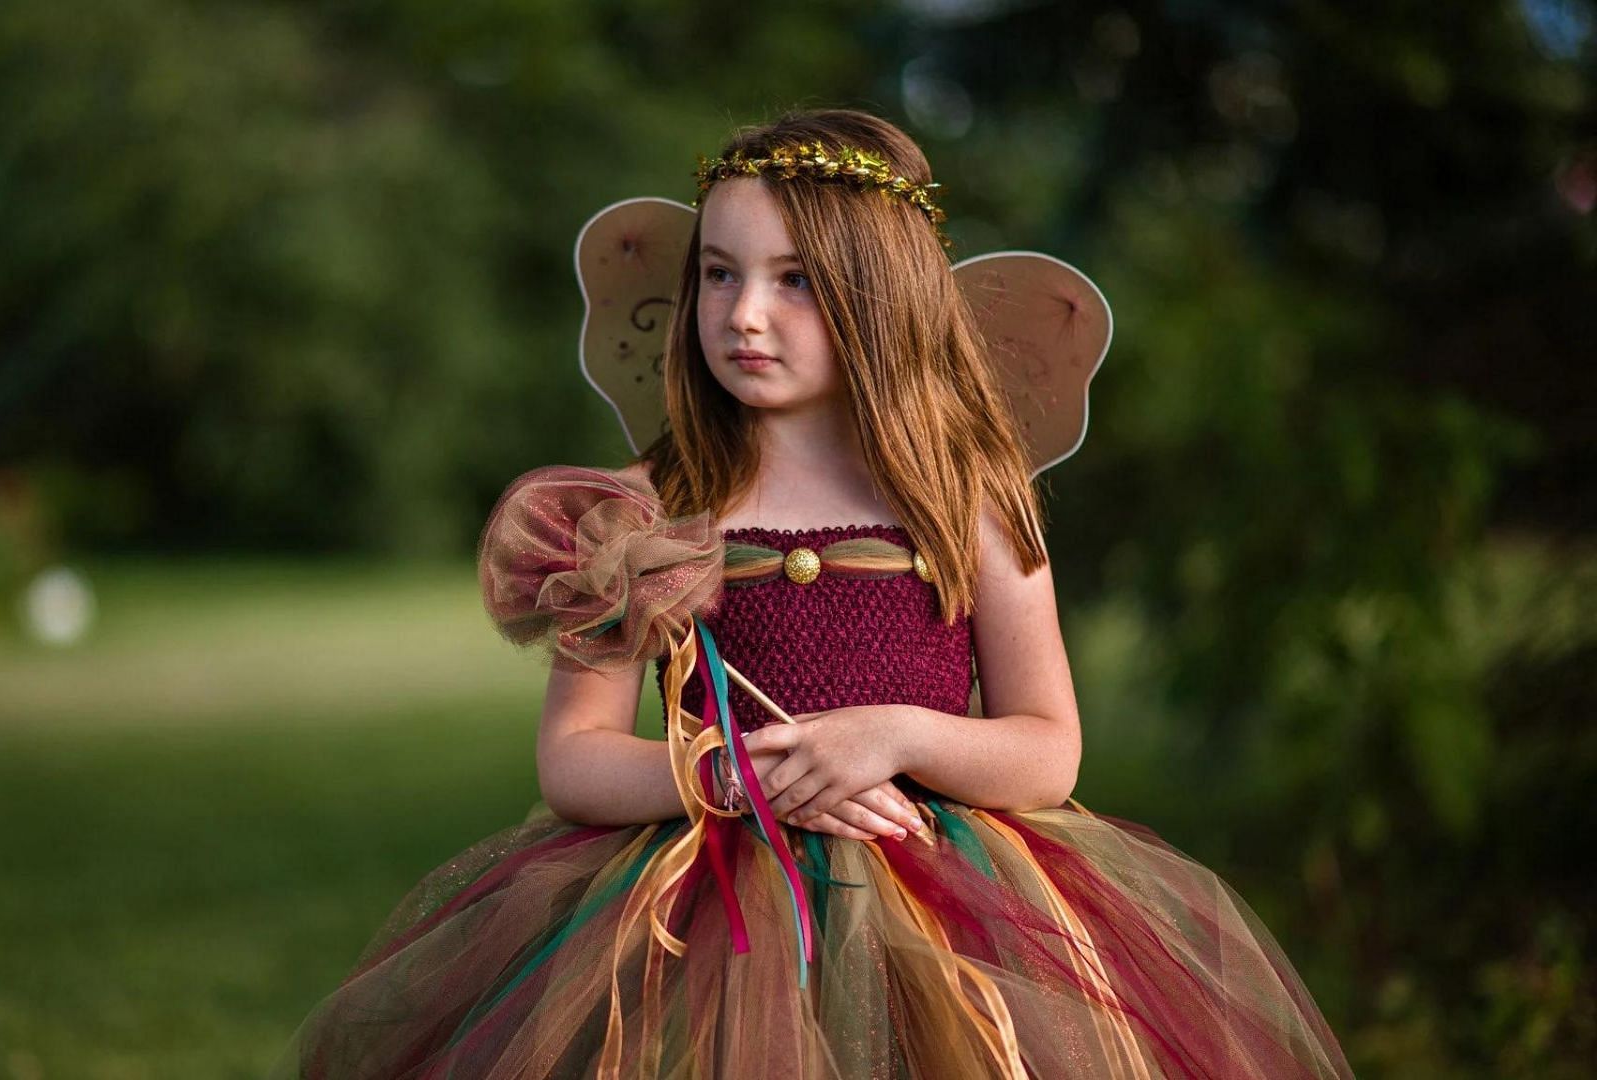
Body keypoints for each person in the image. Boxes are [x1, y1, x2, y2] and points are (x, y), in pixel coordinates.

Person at [267, 108, 1355, 1079]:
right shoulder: (642, 511)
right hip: (699, 919)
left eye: (795, 281)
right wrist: (746, 779)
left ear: (879, 303)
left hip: (946, 911)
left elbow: (1047, 748)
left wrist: (893, 734)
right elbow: (575, 761)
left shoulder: (962, 496)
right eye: (720, 274)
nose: (745, 314)